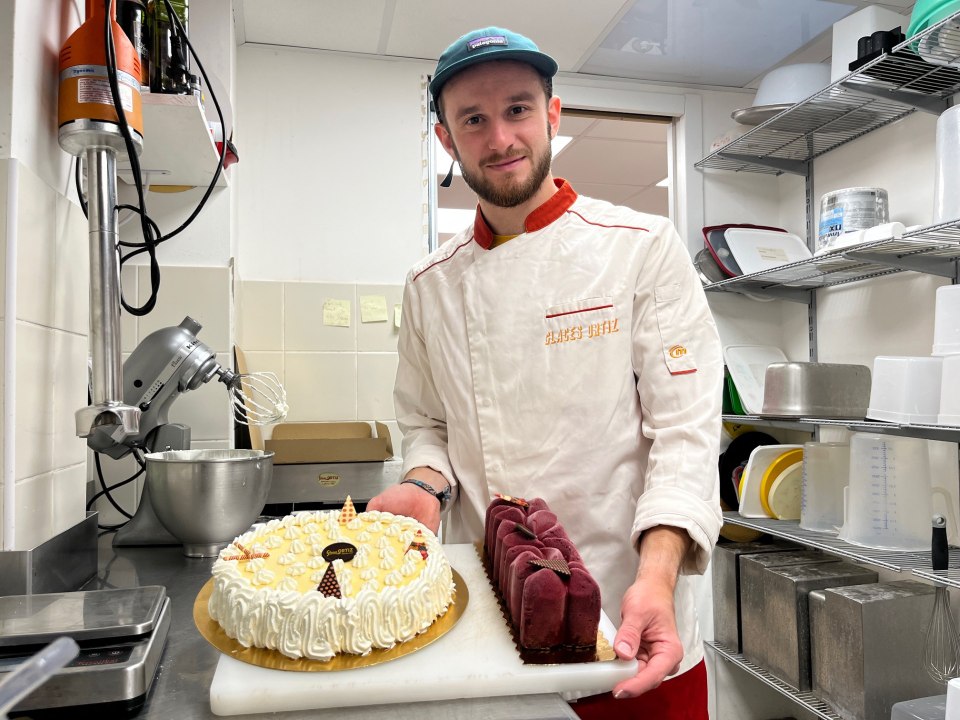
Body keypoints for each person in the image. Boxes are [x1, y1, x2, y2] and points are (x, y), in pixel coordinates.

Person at [367, 26, 723, 719]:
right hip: (491, 632)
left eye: (519, 109)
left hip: (634, 627)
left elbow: (685, 436)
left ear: (553, 116)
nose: (500, 137)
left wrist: (655, 579)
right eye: (473, 119)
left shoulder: (642, 249)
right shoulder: (428, 284)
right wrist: (423, 485)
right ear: (447, 140)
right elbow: (427, 424)